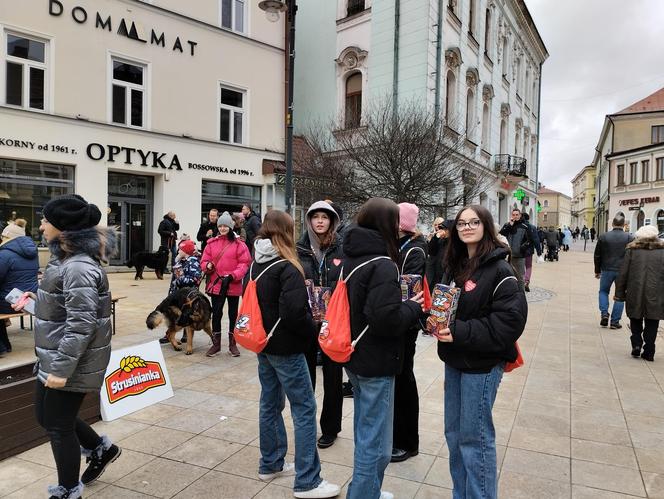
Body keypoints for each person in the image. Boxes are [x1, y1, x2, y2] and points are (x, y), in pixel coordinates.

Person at [13, 195, 121, 499]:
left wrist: (61, 370)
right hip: (55, 355)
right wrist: (35, 305)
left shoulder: (78, 267)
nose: (42, 225)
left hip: (71, 361)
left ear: (62, 227)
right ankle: (102, 449)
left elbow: (82, 325)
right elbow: (65, 312)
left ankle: (68, 490)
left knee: (58, 427)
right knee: (47, 418)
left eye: (46, 220)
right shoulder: (64, 260)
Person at [438, 205, 527, 499]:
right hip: (454, 360)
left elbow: (509, 323)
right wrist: (431, 318)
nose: (466, 227)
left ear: (486, 226)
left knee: (475, 440)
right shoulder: (456, 265)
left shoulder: (501, 269)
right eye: (461, 223)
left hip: (482, 365)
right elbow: (448, 308)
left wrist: (460, 331)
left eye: (474, 222)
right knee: (454, 436)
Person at [251, 210, 340, 499]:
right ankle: (308, 481)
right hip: (287, 348)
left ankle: (271, 463)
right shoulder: (287, 266)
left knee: (269, 403)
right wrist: (313, 329)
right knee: (304, 409)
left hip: (263, 343)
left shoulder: (257, 262)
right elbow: (292, 313)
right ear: (287, 232)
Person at [342, 198, 423, 499]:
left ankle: (367, 490)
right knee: (375, 442)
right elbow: (385, 320)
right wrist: (413, 308)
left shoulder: (350, 255)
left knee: (366, 433)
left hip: (355, 355)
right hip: (376, 359)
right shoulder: (383, 264)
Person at [296, 201, 344, 449]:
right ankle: (306, 426)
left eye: (325, 217)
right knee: (306, 378)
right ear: (309, 221)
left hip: (333, 322)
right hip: (306, 321)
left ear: (333, 220)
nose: (320, 221)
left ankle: (331, 428)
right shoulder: (299, 249)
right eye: (315, 217)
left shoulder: (341, 249)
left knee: (333, 377)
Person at [391, 202, 427, 463]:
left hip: (407, 322)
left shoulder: (414, 250)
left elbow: (407, 287)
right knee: (398, 377)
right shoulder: (398, 246)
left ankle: (408, 442)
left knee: (404, 379)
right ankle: (397, 437)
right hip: (397, 319)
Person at [201, 212, 251, 357]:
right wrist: (207, 266)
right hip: (216, 284)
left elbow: (244, 263)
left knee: (233, 314)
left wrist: (233, 275)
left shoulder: (239, 244)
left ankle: (232, 344)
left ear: (231, 227)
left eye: (225, 226)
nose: (223, 228)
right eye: (220, 226)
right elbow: (204, 261)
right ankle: (216, 345)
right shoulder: (211, 243)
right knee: (216, 314)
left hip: (233, 284)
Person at [615, 225, 664, 361]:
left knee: (635, 317)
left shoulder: (632, 250)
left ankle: (636, 344)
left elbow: (623, 273)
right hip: (656, 292)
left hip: (634, 290)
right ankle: (649, 350)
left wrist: (619, 293)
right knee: (652, 321)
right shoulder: (662, 251)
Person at [0, 219, 39, 355]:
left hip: (11, 303)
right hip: (30, 300)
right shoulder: (33, 253)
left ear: (7, 237)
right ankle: (5, 345)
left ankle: (3, 347)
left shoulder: (4, 254)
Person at [594, 215, 634, 329]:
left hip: (606, 269)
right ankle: (615, 322)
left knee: (603, 291)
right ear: (623, 225)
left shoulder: (604, 236)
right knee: (620, 295)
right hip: (623, 271)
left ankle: (604, 314)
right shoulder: (630, 238)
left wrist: (597, 270)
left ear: (612, 224)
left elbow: (597, 255)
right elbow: (633, 256)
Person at [499, 208, 532, 291]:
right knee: (508, 276)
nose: (515, 216)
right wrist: (509, 225)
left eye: (517, 215)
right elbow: (501, 235)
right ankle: (510, 294)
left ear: (520, 215)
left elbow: (530, 240)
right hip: (508, 256)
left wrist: (522, 248)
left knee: (520, 277)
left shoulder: (525, 226)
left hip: (519, 256)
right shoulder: (508, 225)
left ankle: (521, 295)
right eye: (513, 215)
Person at [425, 217, 453, 293]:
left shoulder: (453, 243)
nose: (441, 231)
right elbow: (431, 251)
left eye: (444, 229)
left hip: (445, 276)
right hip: (436, 274)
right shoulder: (440, 240)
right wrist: (435, 238)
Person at [521, 213, 542, 292]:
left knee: (520, 266)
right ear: (528, 219)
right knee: (528, 266)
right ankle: (526, 281)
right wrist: (539, 253)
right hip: (529, 250)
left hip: (519, 250)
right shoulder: (532, 227)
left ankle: (521, 281)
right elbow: (536, 240)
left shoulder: (519, 226)